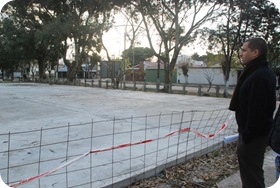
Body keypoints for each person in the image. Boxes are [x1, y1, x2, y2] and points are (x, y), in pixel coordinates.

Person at [229, 37, 276, 188]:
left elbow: (257, 111)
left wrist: (247, 135)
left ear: (255, 52)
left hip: (253, 137)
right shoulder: (254, 72)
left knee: (252, 178)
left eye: (244, 50)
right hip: (251, 135)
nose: (241, 53)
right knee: (250, 175)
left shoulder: (259, 76)